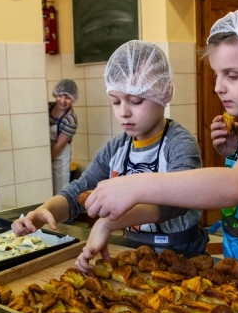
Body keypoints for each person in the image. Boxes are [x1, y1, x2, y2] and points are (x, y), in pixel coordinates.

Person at [82, 10, 238, 277]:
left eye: (232, 76)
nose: (218, 87)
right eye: (217, 75)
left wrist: (135, 186)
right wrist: (236, 152)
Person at [12, 40, 209, 258]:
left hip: (183, 255)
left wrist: (107, 223)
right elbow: (80, 191)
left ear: (165, 93)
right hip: (133, 252)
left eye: (135, 101)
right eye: (116, 101)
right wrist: (46, 212)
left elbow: (177, 202)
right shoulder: (116, 149)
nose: (123, 112)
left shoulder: (179, 143)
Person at [49, 79, 79, 195]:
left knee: (59, 192)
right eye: (60, 96)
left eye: (67, 97)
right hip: (46, 154)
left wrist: (45, 162)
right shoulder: (47, 107)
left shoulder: (71, 119)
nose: (62, 100)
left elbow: (59, 145)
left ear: (74, 99)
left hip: (60, 157)